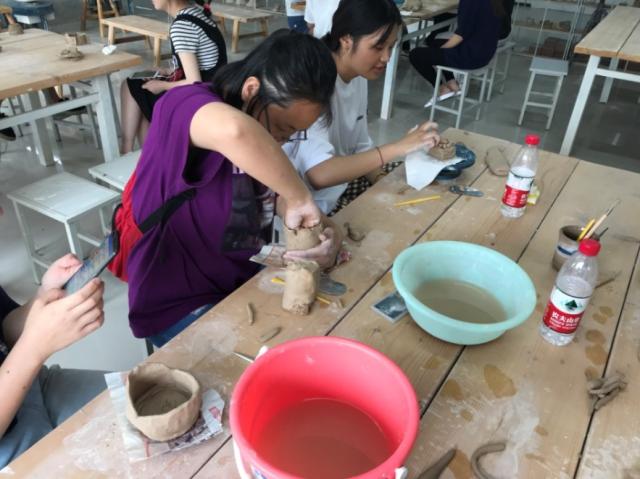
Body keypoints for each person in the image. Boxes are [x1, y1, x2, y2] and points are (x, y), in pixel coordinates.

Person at [111, 30, 341, 347]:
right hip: (176, 303)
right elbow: (235, 131)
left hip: (237, 286)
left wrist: (324, 234)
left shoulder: (262, 144)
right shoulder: (185, 104)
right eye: (282, 127)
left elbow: (278, 197)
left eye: (294, 134)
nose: (283, 141)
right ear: (251, 90)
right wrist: (299, 196)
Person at [284, 0, 440, 214]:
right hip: (316, 204)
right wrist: (398, 147)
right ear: (346, 39)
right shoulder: (315, 81)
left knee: (424, 190)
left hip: (345, 183)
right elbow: (319, 175)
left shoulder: (357, 75)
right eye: (378, 47)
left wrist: (382, 180)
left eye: (391, 47)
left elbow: (360, 146)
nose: (386, 57)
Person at [0, 255, 106, 468]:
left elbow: (4, 329)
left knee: (140, 406)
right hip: (9, 450)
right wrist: (34, 346)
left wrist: (44, 298)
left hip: (33, 387)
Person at [120, 0, 227, 153]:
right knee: (138, 91)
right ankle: (146, 154)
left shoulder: (182, 26)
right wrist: (168, 71)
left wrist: (162, 85)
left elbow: (194, 81)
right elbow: (202, 64)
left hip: (201, 94)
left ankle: (128, 150)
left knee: (132, 87)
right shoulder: (196, 13)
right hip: (213, 86)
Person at [409, 0, 503, 104]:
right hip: (485, 52)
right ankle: (452, 82)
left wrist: (441, 50)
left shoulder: (469, 2)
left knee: (415, 55)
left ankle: (442, 88)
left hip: (470, 56)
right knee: (434, 43)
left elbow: (461, 35)